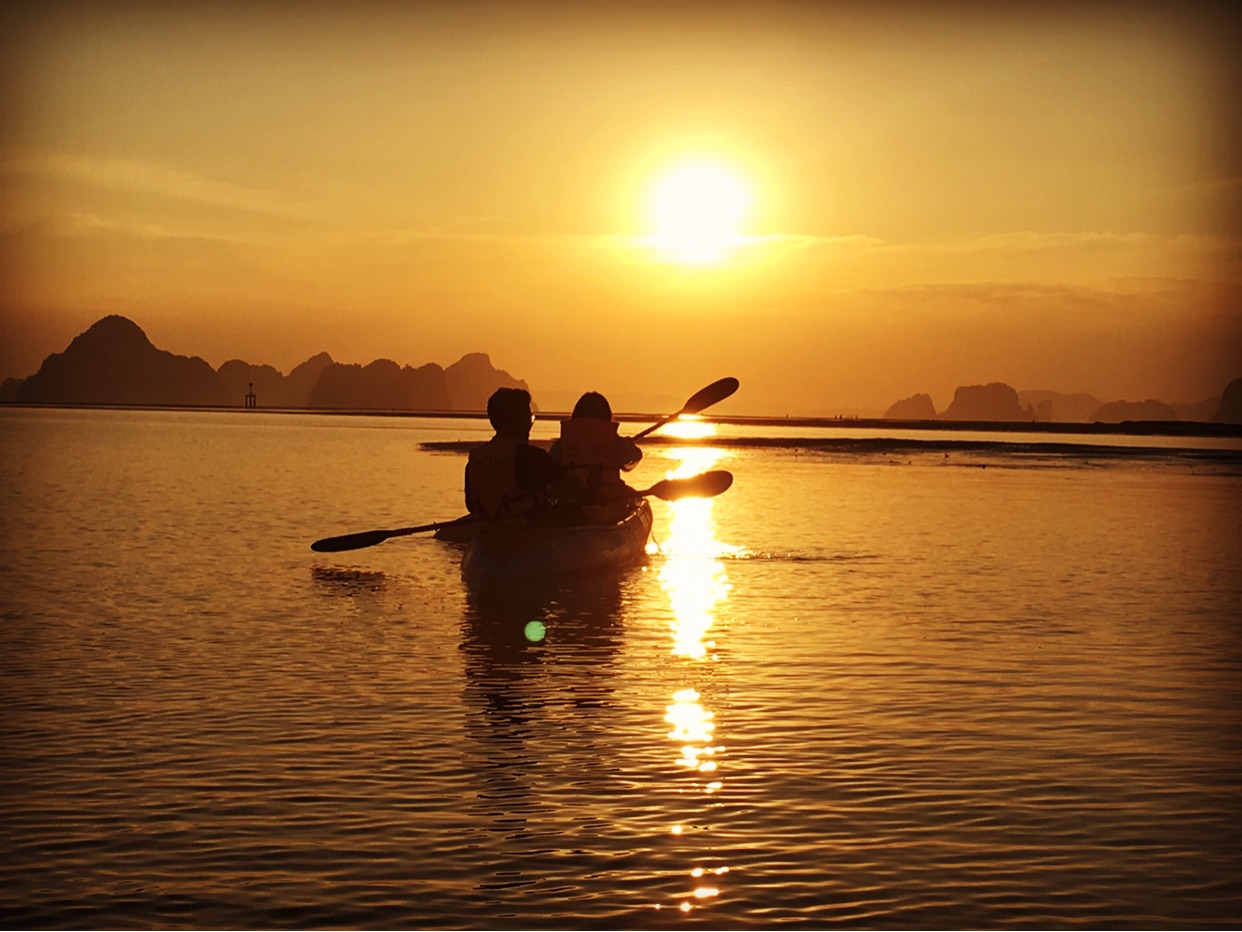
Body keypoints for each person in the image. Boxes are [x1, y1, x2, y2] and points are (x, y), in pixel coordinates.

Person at [465, 387, 577, 521]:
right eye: (530, 418)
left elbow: (471, 505)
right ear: (520, 420)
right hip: (530, 531)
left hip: (489, 529)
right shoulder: (533, 457)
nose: (530, 425)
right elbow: (577, 486)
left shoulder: (475, 460)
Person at [550, 391, 643, 524]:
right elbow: (635, 456)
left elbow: (551, 469)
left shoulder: (562, 444)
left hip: (571, 504)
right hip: (606, 503)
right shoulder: (617, 443)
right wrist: (626, 443)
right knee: (630, 495)